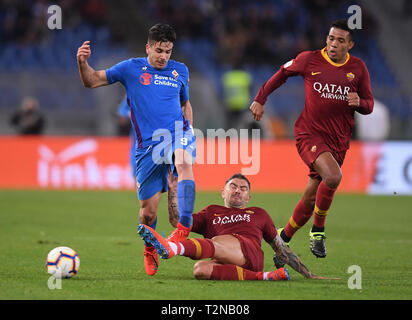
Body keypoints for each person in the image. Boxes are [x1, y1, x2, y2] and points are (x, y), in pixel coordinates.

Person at [77, 23, 196, 276]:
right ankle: (150, 247)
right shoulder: (130, 68)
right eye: (159, 50)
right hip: (147, 148)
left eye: (169, 51)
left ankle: (184, 226)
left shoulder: (180, 71)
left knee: (184, 162)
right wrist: (82, 63)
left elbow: (186, 104)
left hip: (177, 135)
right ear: (148, 47)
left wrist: (190, 130)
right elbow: (91, 81)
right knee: (147, 212)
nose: (164, 56)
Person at [249, 19, 374, 260]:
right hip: (309, 134)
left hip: (339, 141)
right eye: (330, 38)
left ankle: (281, 241)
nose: (333, 44)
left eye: (340, 40)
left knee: (311, 196)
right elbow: (282, 74)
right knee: (334, 176)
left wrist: (360, 103)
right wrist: (260, 98)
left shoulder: (358, 68)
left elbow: (369, 104)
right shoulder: (310, 59)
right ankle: (317, 233)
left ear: (350, 44)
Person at [138, 173, 335, 281]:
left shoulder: (259, 214)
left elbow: (280, 248)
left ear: (248, 197)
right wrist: (172, 191)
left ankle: (172, 248)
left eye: (243, 189)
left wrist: (309, 274)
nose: (238, 191)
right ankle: (265, 276)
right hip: (226, 258)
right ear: (222, 192)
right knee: (200, 270)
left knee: (216, 241)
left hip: (249, 253)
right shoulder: (210, 212)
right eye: (233, 186)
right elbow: (178, 222)